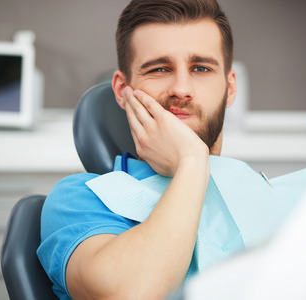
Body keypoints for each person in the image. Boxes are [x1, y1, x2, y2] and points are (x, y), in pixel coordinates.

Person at [38, 0, 237, 299]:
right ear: (122, 90)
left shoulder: (251, 190)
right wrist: (192, 161)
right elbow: (132, 292)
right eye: (159, 68)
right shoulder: (79, 200)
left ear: (229, 88)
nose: (181, 88)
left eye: (201, 68)